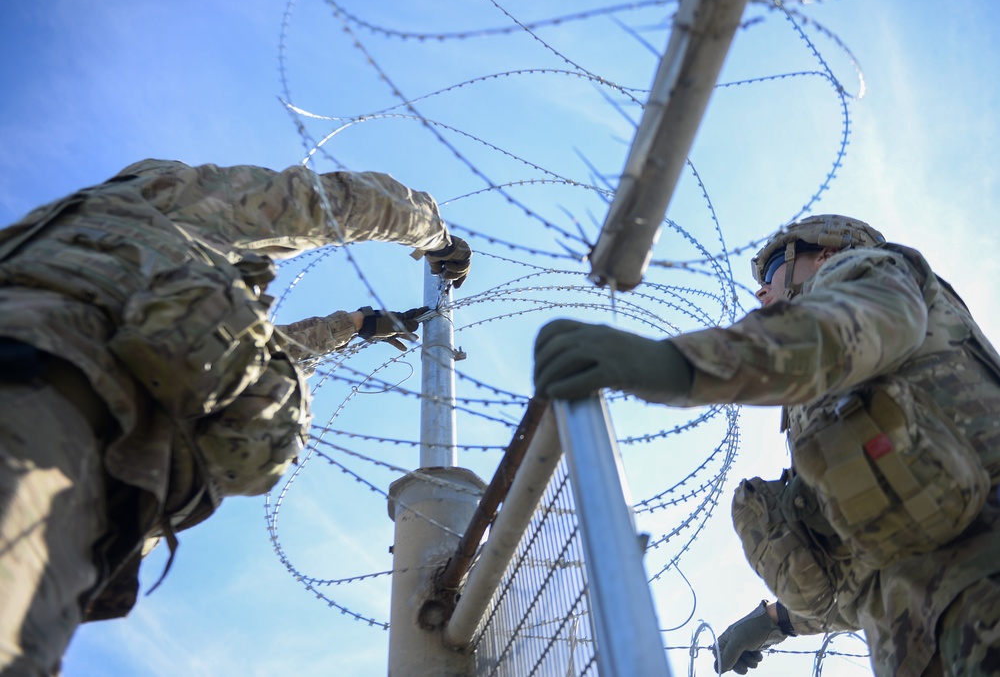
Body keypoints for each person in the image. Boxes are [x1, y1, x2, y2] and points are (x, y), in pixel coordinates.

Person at [0, 158, 471, 675]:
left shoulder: (41, 244)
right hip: (49, 434)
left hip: (87, 494)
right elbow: (334, 201)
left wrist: (356, 324)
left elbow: (262, 350)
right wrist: (438, 239)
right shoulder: (167, 198)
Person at [533, 214, 1000, 677]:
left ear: (825, 255)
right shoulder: (848, 404)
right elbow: (878, 573)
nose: (761, 290)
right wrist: (775, 621)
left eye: (776, 264)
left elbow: (836, 333)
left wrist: (673, 366)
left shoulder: (867, 272)